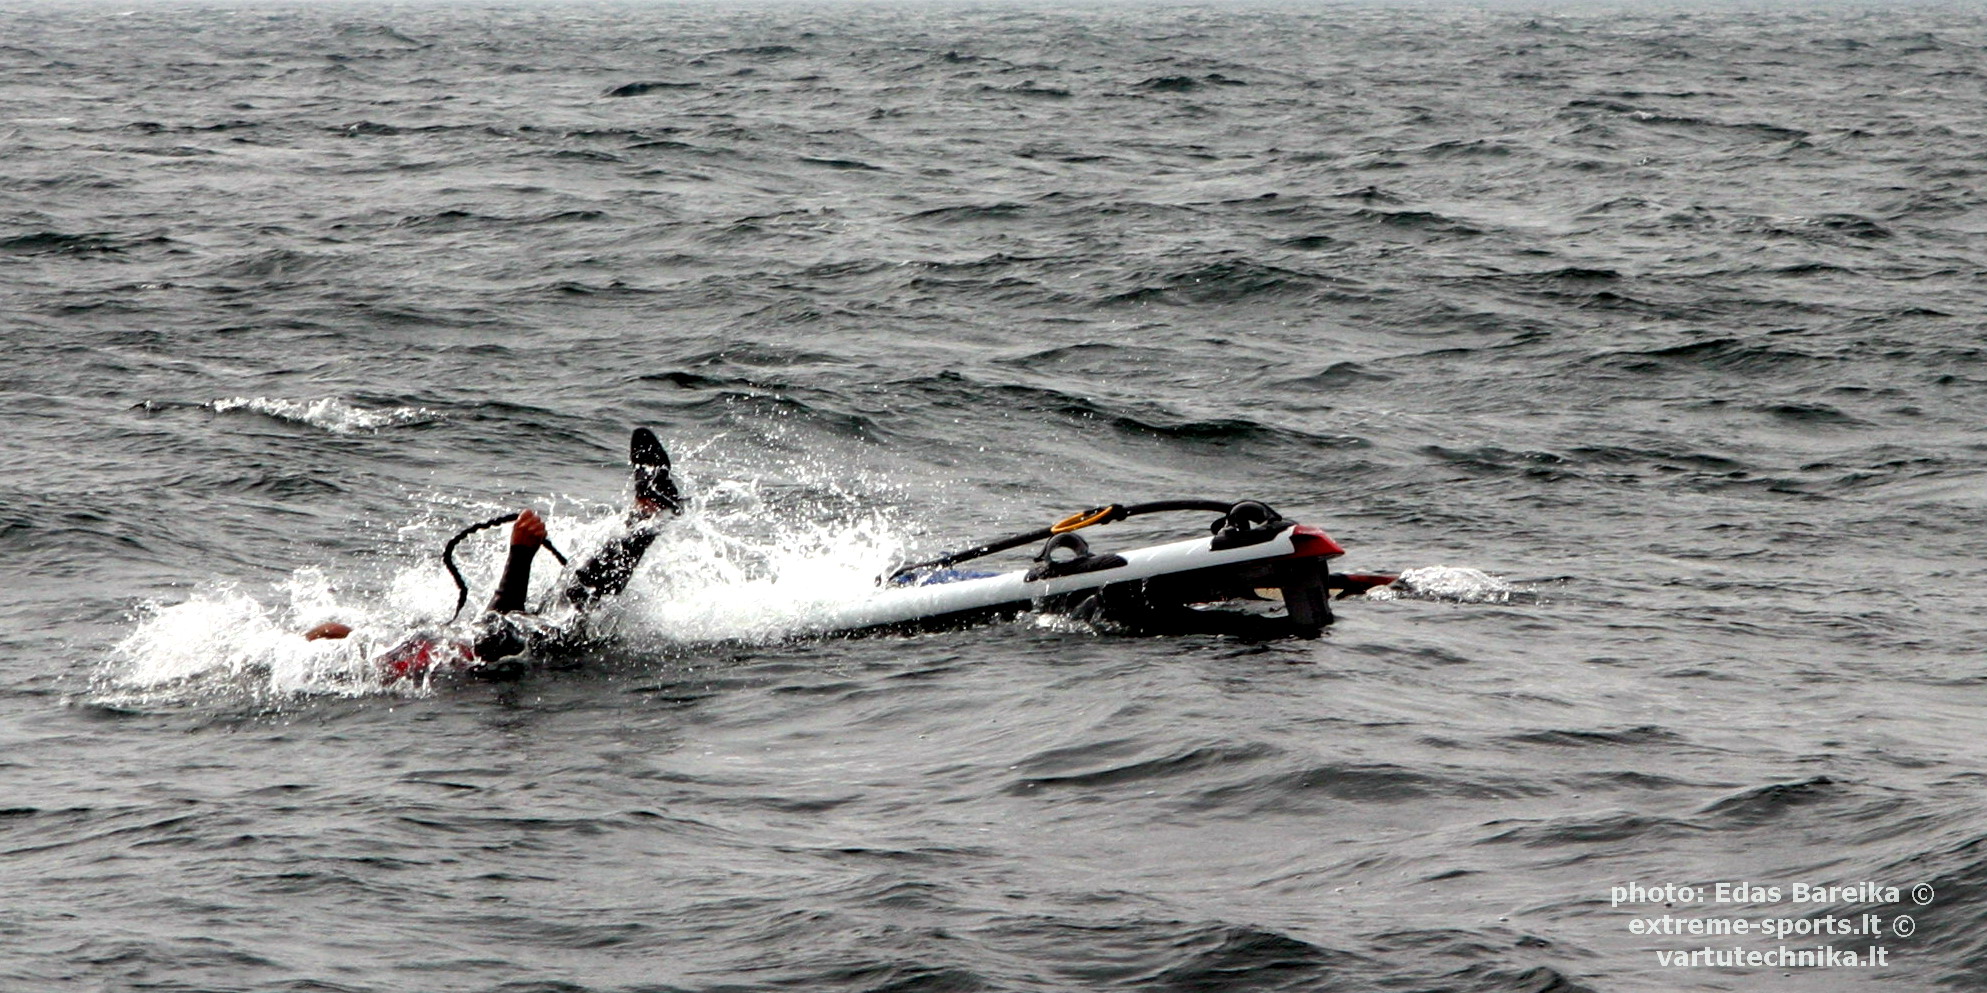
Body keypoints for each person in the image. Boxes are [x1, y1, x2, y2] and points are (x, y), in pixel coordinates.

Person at [305, 427, 680, 681]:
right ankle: (651, 513)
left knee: (569, 601)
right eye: (344, 638)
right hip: (535, 664)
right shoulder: (407, 671)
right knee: (572, 605)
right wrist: (520, 555)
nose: (352, 635)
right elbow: (493, 638)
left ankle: (647, 513)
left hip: (527, 652)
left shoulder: (389, 651)